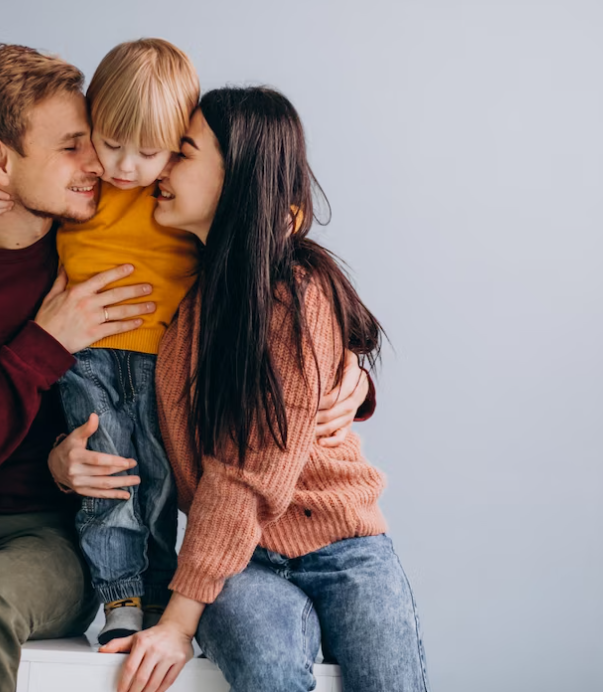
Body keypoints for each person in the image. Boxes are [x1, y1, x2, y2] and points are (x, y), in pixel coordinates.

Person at [0, 44, 369, 691]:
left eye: (96, 141)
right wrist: (44, 341)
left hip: (49, 533)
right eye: (74, 147)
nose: (102, 168)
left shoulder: (132, 221)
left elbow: (265, 277)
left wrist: (349, 376)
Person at [103, 87, 429, 692]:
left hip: (344, 544)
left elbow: (246, 470)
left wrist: (178, 621)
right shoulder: (182, 296)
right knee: (267, 671)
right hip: (238, 558)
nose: (159, 170)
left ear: (238, 174)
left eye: (184, 153)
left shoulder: (297, 290)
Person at [0, 38, 200, 644]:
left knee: (159, 480)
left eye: (145, 152)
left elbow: (255, 208)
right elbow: (16, 174)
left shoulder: (174, 187)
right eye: (106, 141)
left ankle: (156, 601)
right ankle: (119, 599)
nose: (121, 166)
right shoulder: (82, 188)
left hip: (166, 360)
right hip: (85, 354)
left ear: (174, 146)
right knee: (108, 475)